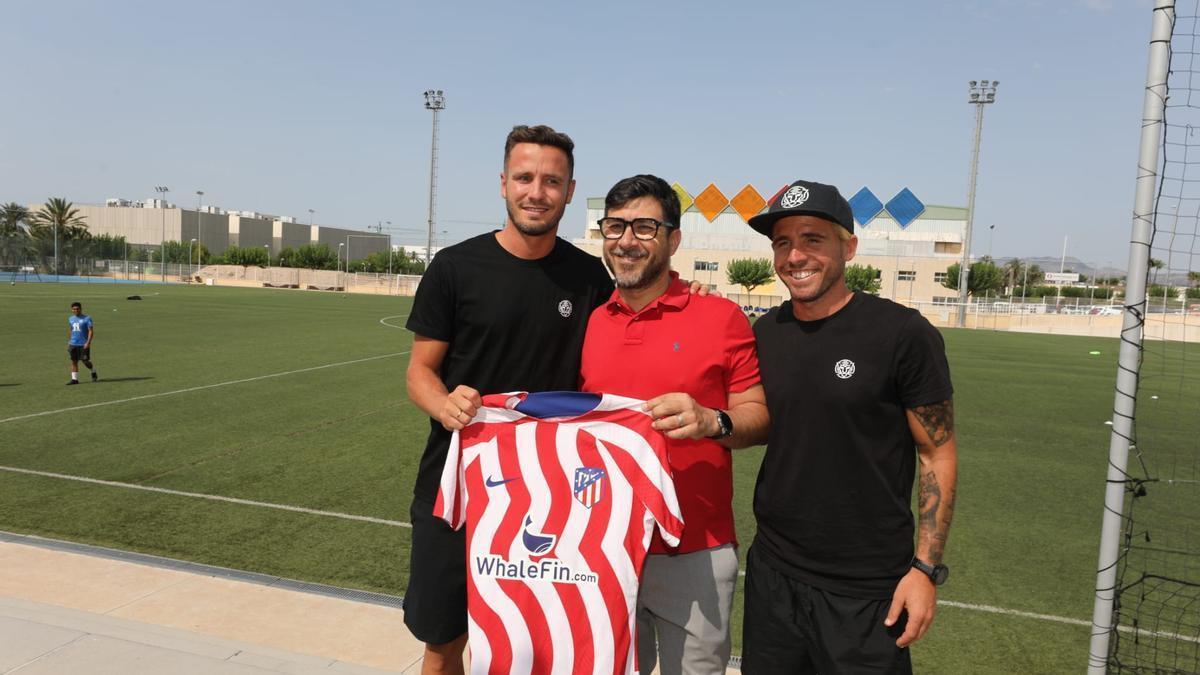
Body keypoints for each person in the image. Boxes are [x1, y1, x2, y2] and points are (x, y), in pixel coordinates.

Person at [404, 124, 614, 674]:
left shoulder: (591, 278)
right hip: (458, 489)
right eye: (524, 177)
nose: (536, 192)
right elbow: (420, 373)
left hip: (547, 498)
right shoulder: (454, 267)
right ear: (503, 184)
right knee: (444, 641)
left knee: (528, 639)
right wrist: (445, 405)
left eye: (551, 181)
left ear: (570, 191)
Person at [741, 180, 958, 674]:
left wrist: (925, 570)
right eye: (782, 242)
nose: (795, 255)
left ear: (849, 247)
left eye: (813, 239)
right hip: (774, 576)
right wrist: (710, 422)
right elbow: (766, 425)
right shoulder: (767, 333)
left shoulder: (903, 334)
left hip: (865, 588)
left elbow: (937, 453)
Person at [578, 174, 768, 675]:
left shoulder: (722, 317)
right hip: (603, 547)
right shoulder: (593, 321)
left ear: (673, 239)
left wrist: (711, 420)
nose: (626, 241)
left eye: (644, 227)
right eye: (615, 226)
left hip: (694, 551)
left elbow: (759, 416)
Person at [66, 301, 97, 385]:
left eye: (77, 309)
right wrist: (69, 341)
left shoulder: (87, 318)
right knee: (74, 361)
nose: (76, 310)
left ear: (81, 309)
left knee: (85, 361)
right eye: (74, 309)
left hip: (83, 344)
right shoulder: (71, 318)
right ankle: (74, 379)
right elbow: (71, 329)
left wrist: (88, 342)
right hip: (73, 344)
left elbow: (90, 331)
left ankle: (93, 370)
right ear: (72, 310)